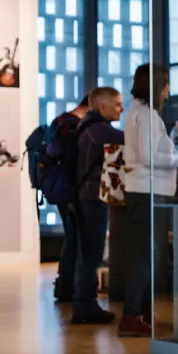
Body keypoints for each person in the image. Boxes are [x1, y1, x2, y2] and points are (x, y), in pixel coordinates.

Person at [119, 64, 178, 337]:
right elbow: (150, 157)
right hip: (148, 191)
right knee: (145, 255)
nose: (169, 89)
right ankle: (132, 315)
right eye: (166, 83)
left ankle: (138, 314)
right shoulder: (147, 116)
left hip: (143, 191)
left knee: (145, 253)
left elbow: (150, 149)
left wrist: (172, 136)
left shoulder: (139, 114)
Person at [69, 86, 123, 325]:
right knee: (91, 252)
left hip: (85, 196)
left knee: (88, 251)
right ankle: (84, 307)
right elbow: (133, 142)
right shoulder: (99, 130)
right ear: (102, 107)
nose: (121, 108)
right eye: (117, 104)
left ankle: (85, 304)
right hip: (91, 197)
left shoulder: (87, 127)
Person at [39, 95, 90, 304]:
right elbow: (73, 159)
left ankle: (65, 284)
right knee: (75, 238)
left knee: (72, 237)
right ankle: (68, 285)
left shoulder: (60, 121)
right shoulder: (71, 126)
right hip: (70, 189)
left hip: (61, 188)